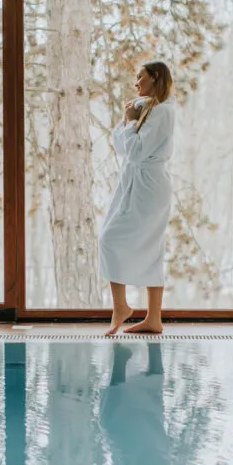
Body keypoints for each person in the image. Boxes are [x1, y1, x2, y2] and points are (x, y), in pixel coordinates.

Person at [100, 61, 176, 336]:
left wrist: (130, 122)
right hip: (135, 182)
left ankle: (132, 311)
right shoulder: (149, 109)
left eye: (140, 77)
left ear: (155, 78)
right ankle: (144, 315)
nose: (136, 83)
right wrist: (128, 119)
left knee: (128, 242)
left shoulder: (164, 112)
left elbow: (137, 151)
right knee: (113, 240)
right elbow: (121, 145)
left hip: (149, 185)